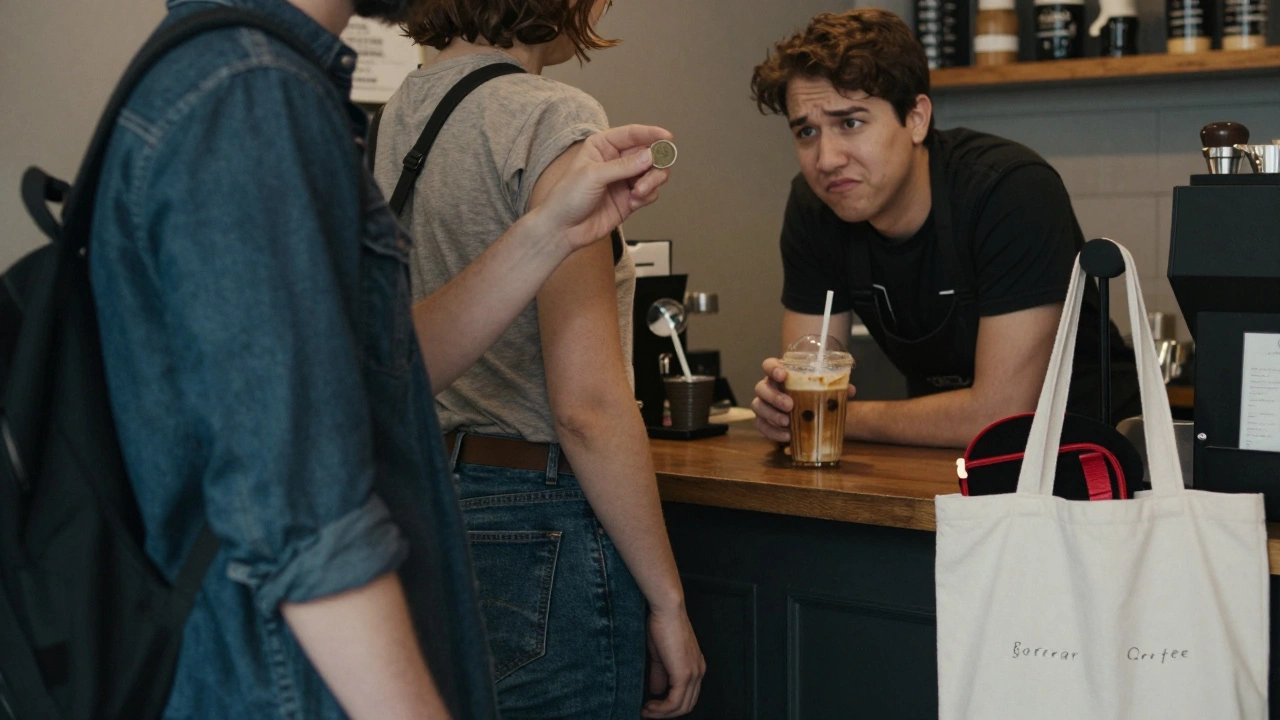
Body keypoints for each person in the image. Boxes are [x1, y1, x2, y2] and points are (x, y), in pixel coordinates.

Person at [89, 0, 673, 717]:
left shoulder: (298, 86)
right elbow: (302, 510)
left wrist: (548, 233)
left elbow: (380, 368)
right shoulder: (252, 92)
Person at [373, 1, 705, 718]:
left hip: (432, 501)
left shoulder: (402, 110)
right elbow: (586, 405)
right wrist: (668, 601)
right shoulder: (552, 115)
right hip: (540, 522)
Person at [748, 9, 1139, 449]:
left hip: (1091, 461)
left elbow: (999, 415)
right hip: (944, 457)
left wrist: (830, 414)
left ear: (916, 118)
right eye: (806, 132)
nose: (826, 158)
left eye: (850, 123)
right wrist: (785, 407)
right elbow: (804, 381)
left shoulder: (1010, 189)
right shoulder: (815, 207)